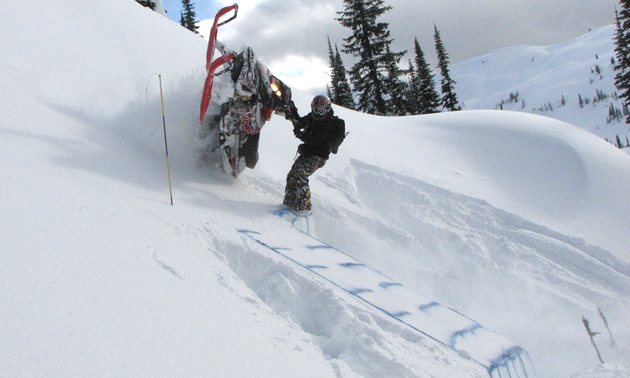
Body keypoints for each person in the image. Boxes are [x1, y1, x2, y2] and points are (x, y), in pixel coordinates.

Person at [283, 95, 346, 214]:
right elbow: (300, 123)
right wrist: (293, 112)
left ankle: (304, 207)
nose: (318, 114)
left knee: (300, 175)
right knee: (292, 175)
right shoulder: (312, 117)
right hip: (307, 152)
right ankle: (289, 203)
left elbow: (318, 140)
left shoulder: (331, 123)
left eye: (321, 111)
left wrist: (301, 135)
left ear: (327, 110)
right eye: (315, 110)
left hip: (319, 155)